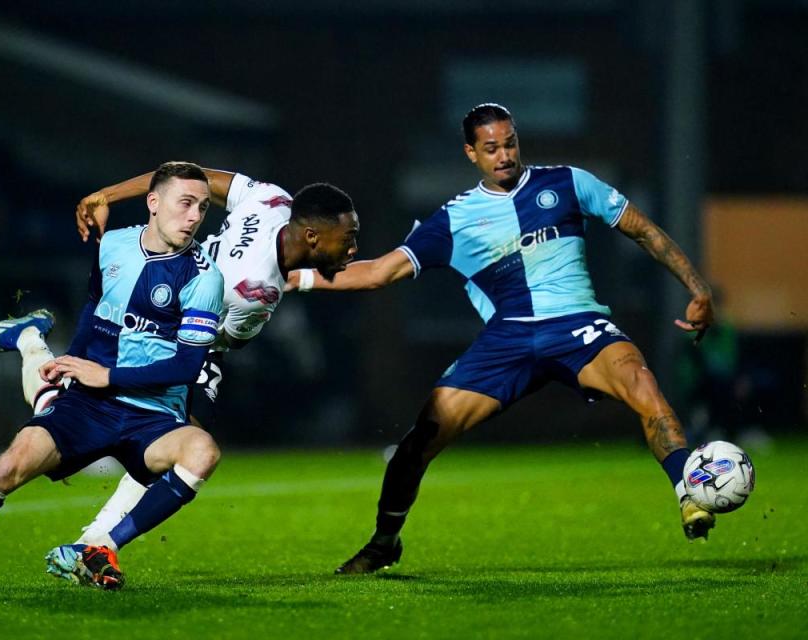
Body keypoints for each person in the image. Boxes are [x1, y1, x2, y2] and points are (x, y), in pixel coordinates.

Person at [287, 103, 716, 574]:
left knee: (643, 385)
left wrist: (697, 289)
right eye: (491, 148)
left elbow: (643, 230)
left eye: (510, 143)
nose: (504, 154)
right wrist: (298, 278)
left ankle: (689, 495)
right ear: (471, 153)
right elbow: (378, 272)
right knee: (419, 441)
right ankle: (384, 542)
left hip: (577, 325)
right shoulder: (454, 219)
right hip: (507, 341)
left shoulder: (569, 182)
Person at [0, 166, 359, 586]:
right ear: (311, 236)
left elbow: (183, 172)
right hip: (170, 341)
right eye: (347, 240)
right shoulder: (256, 290)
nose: (353, 249)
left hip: (159, 310)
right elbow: (229, 340)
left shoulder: (271, 200)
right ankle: (30, 341)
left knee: (161, 436)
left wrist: (106, 192)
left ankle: (93, 544)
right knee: (74, 406)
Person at [0, 161, 225, 592]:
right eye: (185, 204)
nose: (194, 217)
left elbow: (185, 366)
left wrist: (104, 374)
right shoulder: (114, 246)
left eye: (202, 207)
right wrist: (72, 361)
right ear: (153, 202)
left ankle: (102, 545)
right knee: (10, 466)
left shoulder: (205, 277)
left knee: (202, 451)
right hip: (90, 404)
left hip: (154, 414)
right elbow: (94, 305)